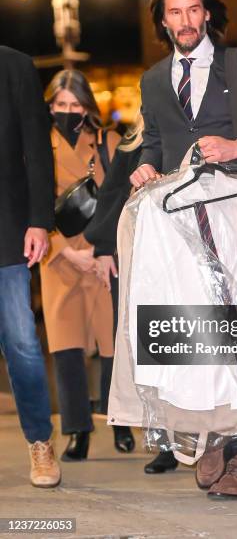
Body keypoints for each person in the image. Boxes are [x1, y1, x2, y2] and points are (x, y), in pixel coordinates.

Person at [129, 0, 237, 498]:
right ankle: (212, 437)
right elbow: (154, 140)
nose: (185, 21)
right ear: (163, 20)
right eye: (174, 12)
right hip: (180, 221)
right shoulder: (154, 80)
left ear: (207, 14)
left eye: (193, 10)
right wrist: (145, 166)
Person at [40, 70, 124, 461]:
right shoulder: (38, 144)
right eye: (60, 105)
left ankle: (120, 418)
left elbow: (120, 198)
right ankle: (77, 430)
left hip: (103, 255)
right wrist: (62, 249)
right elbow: (30, 206)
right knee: (66, 347)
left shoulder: (107, 141)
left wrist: (102, 248)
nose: (68, 112)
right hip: (56, 256)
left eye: (76, 105)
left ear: (87, 106)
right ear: (49, 104)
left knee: (113, 343)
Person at [0, 45, 61, 488]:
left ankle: (40, 442)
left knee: (21, 341)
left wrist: (40, 220)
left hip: (6, 229)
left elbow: (38, 150)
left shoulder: (14, 66)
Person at [83, 114, 143, 451]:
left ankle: (173, 433)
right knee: (134, 340)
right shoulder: (132, 143)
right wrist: (104, 248)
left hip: (176, 255)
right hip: (130, 252)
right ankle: (153, 432)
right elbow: (112, 193)